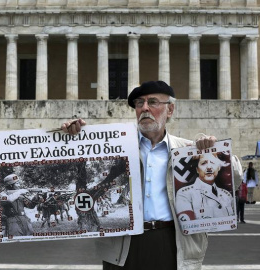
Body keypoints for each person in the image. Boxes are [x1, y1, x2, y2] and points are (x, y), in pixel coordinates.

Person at [61, 80, 241, 270]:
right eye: (139, 103)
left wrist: (215, 151)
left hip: (171, 242)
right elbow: (77, 161)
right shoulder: (115, 149)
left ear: (170, 110)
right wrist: (70, 139)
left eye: (153, 102)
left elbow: (235, 179)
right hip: (123, 246)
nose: (144, 108)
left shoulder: (187, 151)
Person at [175, 153, 235, 221]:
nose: (209, 167)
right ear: (197, 169)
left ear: (219, 168)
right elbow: (187, 224)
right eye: (203, 163)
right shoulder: (184, 194)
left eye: (213, 162)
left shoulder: (226, 195)